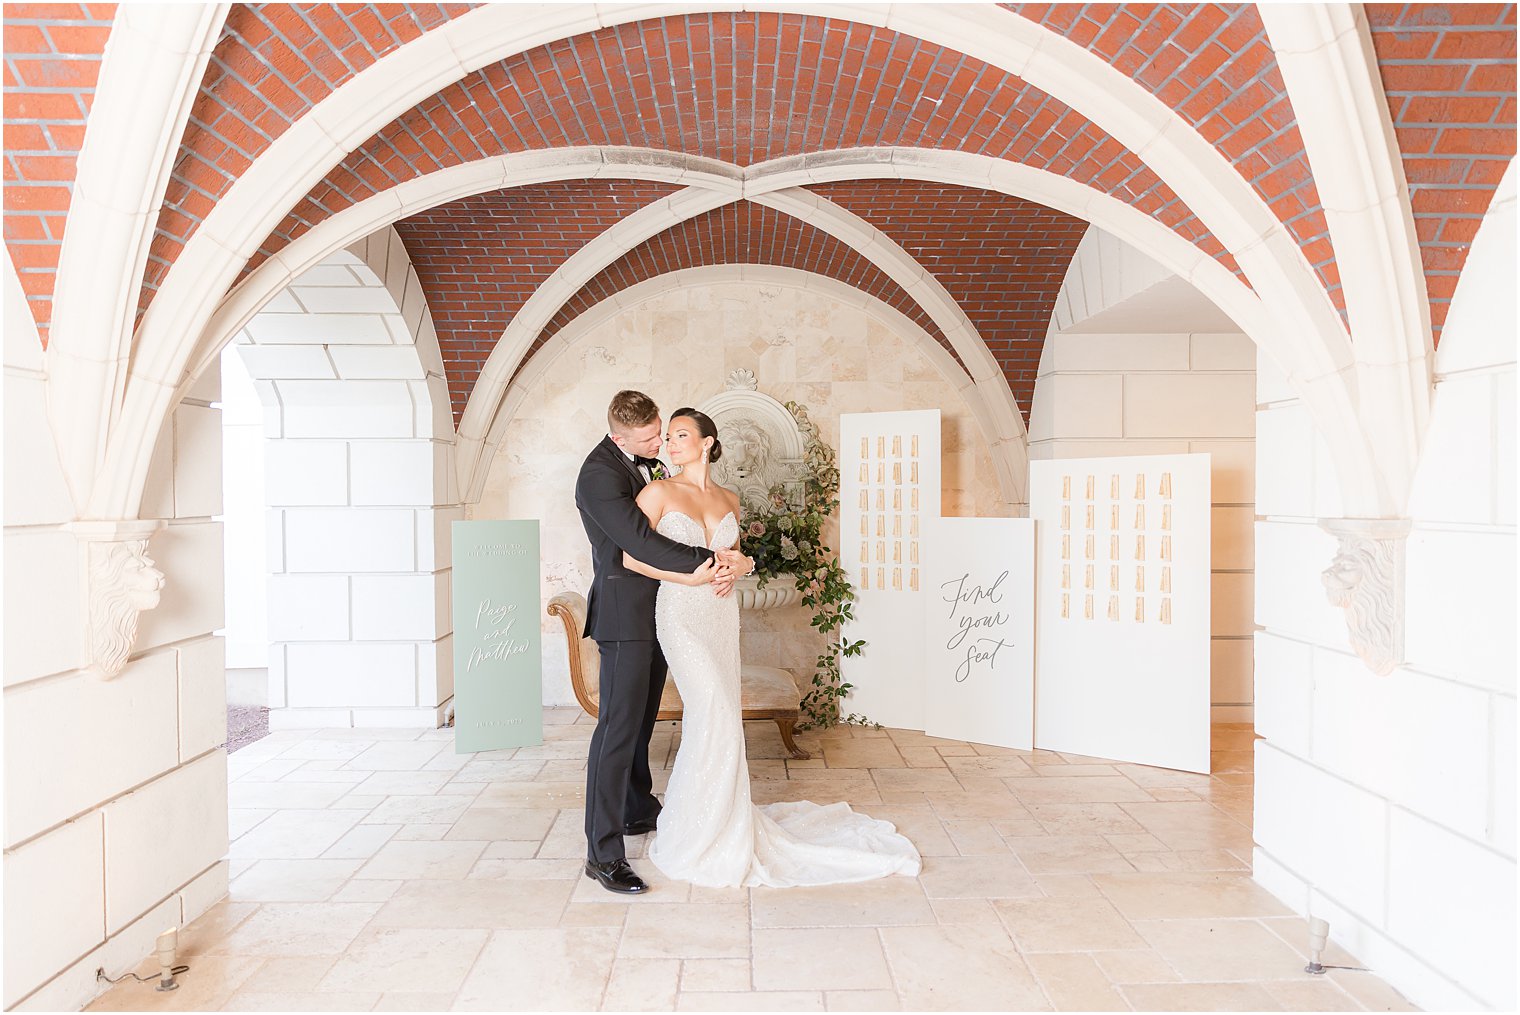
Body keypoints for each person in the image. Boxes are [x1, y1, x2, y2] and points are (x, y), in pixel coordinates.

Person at [620, 407, 922, 887]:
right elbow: (631, 558)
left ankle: (722, 819)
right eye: (669, 436)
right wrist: (688, 575)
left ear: (707, 444)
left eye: (681, 435)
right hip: (679, 613)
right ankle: (693, 830)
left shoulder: (730, 499)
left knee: (721, 712)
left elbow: (738, 556)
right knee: (712, 706)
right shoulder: (657, 491)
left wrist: (744, 567)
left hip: (720, 616)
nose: (671, 444)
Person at [575, 390, 750, 894]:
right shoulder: (599, 475)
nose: (660, 445)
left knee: (641, 724)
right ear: (617, 437)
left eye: (663, 433)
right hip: (627, 614)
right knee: (617, 731)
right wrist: (713, 561)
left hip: (666, 611)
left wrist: (739, 558)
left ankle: (636, 810)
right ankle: (602, 853)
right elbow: (640, 542)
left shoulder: (651, 465)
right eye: (651, 439)